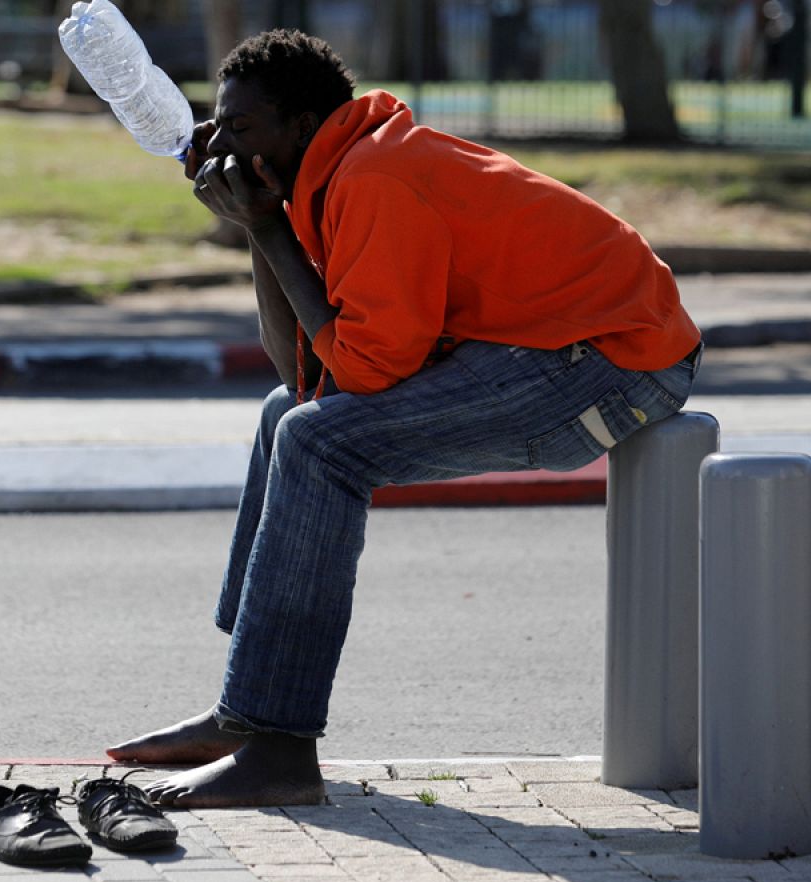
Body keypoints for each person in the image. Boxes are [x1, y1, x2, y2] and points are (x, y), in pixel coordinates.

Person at [105, 29, 703, 808]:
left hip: (617, 364)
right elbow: (307, 374)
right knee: (285, 413)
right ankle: (248, 712)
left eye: (242, 127)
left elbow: (361, 374)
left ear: (303, 125)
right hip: (551, 346)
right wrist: (263, 224)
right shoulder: (336, 171)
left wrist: (266, 226)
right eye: (220, 125)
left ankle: (279, 747)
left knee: (317, 444)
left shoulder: (375, 178)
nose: (223, 141)